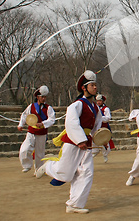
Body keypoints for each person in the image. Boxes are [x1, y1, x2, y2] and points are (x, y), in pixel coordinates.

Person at [36, 70, 102, 214]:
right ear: (84, 88)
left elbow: (97, 125)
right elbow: (71, 123)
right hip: (74, 141)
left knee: (87, 172)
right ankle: (48, 166)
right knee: (65, 173)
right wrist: (79, 140)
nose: (95, 87)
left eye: (95, 85)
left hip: (86, 142)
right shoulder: (77, 105)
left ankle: (74, 204)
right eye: (92, 85)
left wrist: (98, 139)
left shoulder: (96, 107)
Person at [17, 85, 56, 173]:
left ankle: (39, 169)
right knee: (25, 149)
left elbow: (52, 119)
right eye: (42, 97)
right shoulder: (31, 106)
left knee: (40, 153)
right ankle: (26, 165)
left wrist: (42, 124)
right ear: (38, 97)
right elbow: (24, 115)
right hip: (31, 132)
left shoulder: (48, 108)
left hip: (41, 133)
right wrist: (21, 125)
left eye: (45, 97)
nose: (44, 99)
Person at [92, 94, 114, 163]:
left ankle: (105, 155)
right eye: (97, 101)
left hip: (104, 128)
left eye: (100, 101)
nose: (98, 102)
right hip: (95, 128)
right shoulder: (94, 108)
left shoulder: (106, 109)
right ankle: (93, 154)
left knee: (104, 143)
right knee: (94, 142)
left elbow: (108, 118)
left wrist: (100, 118)